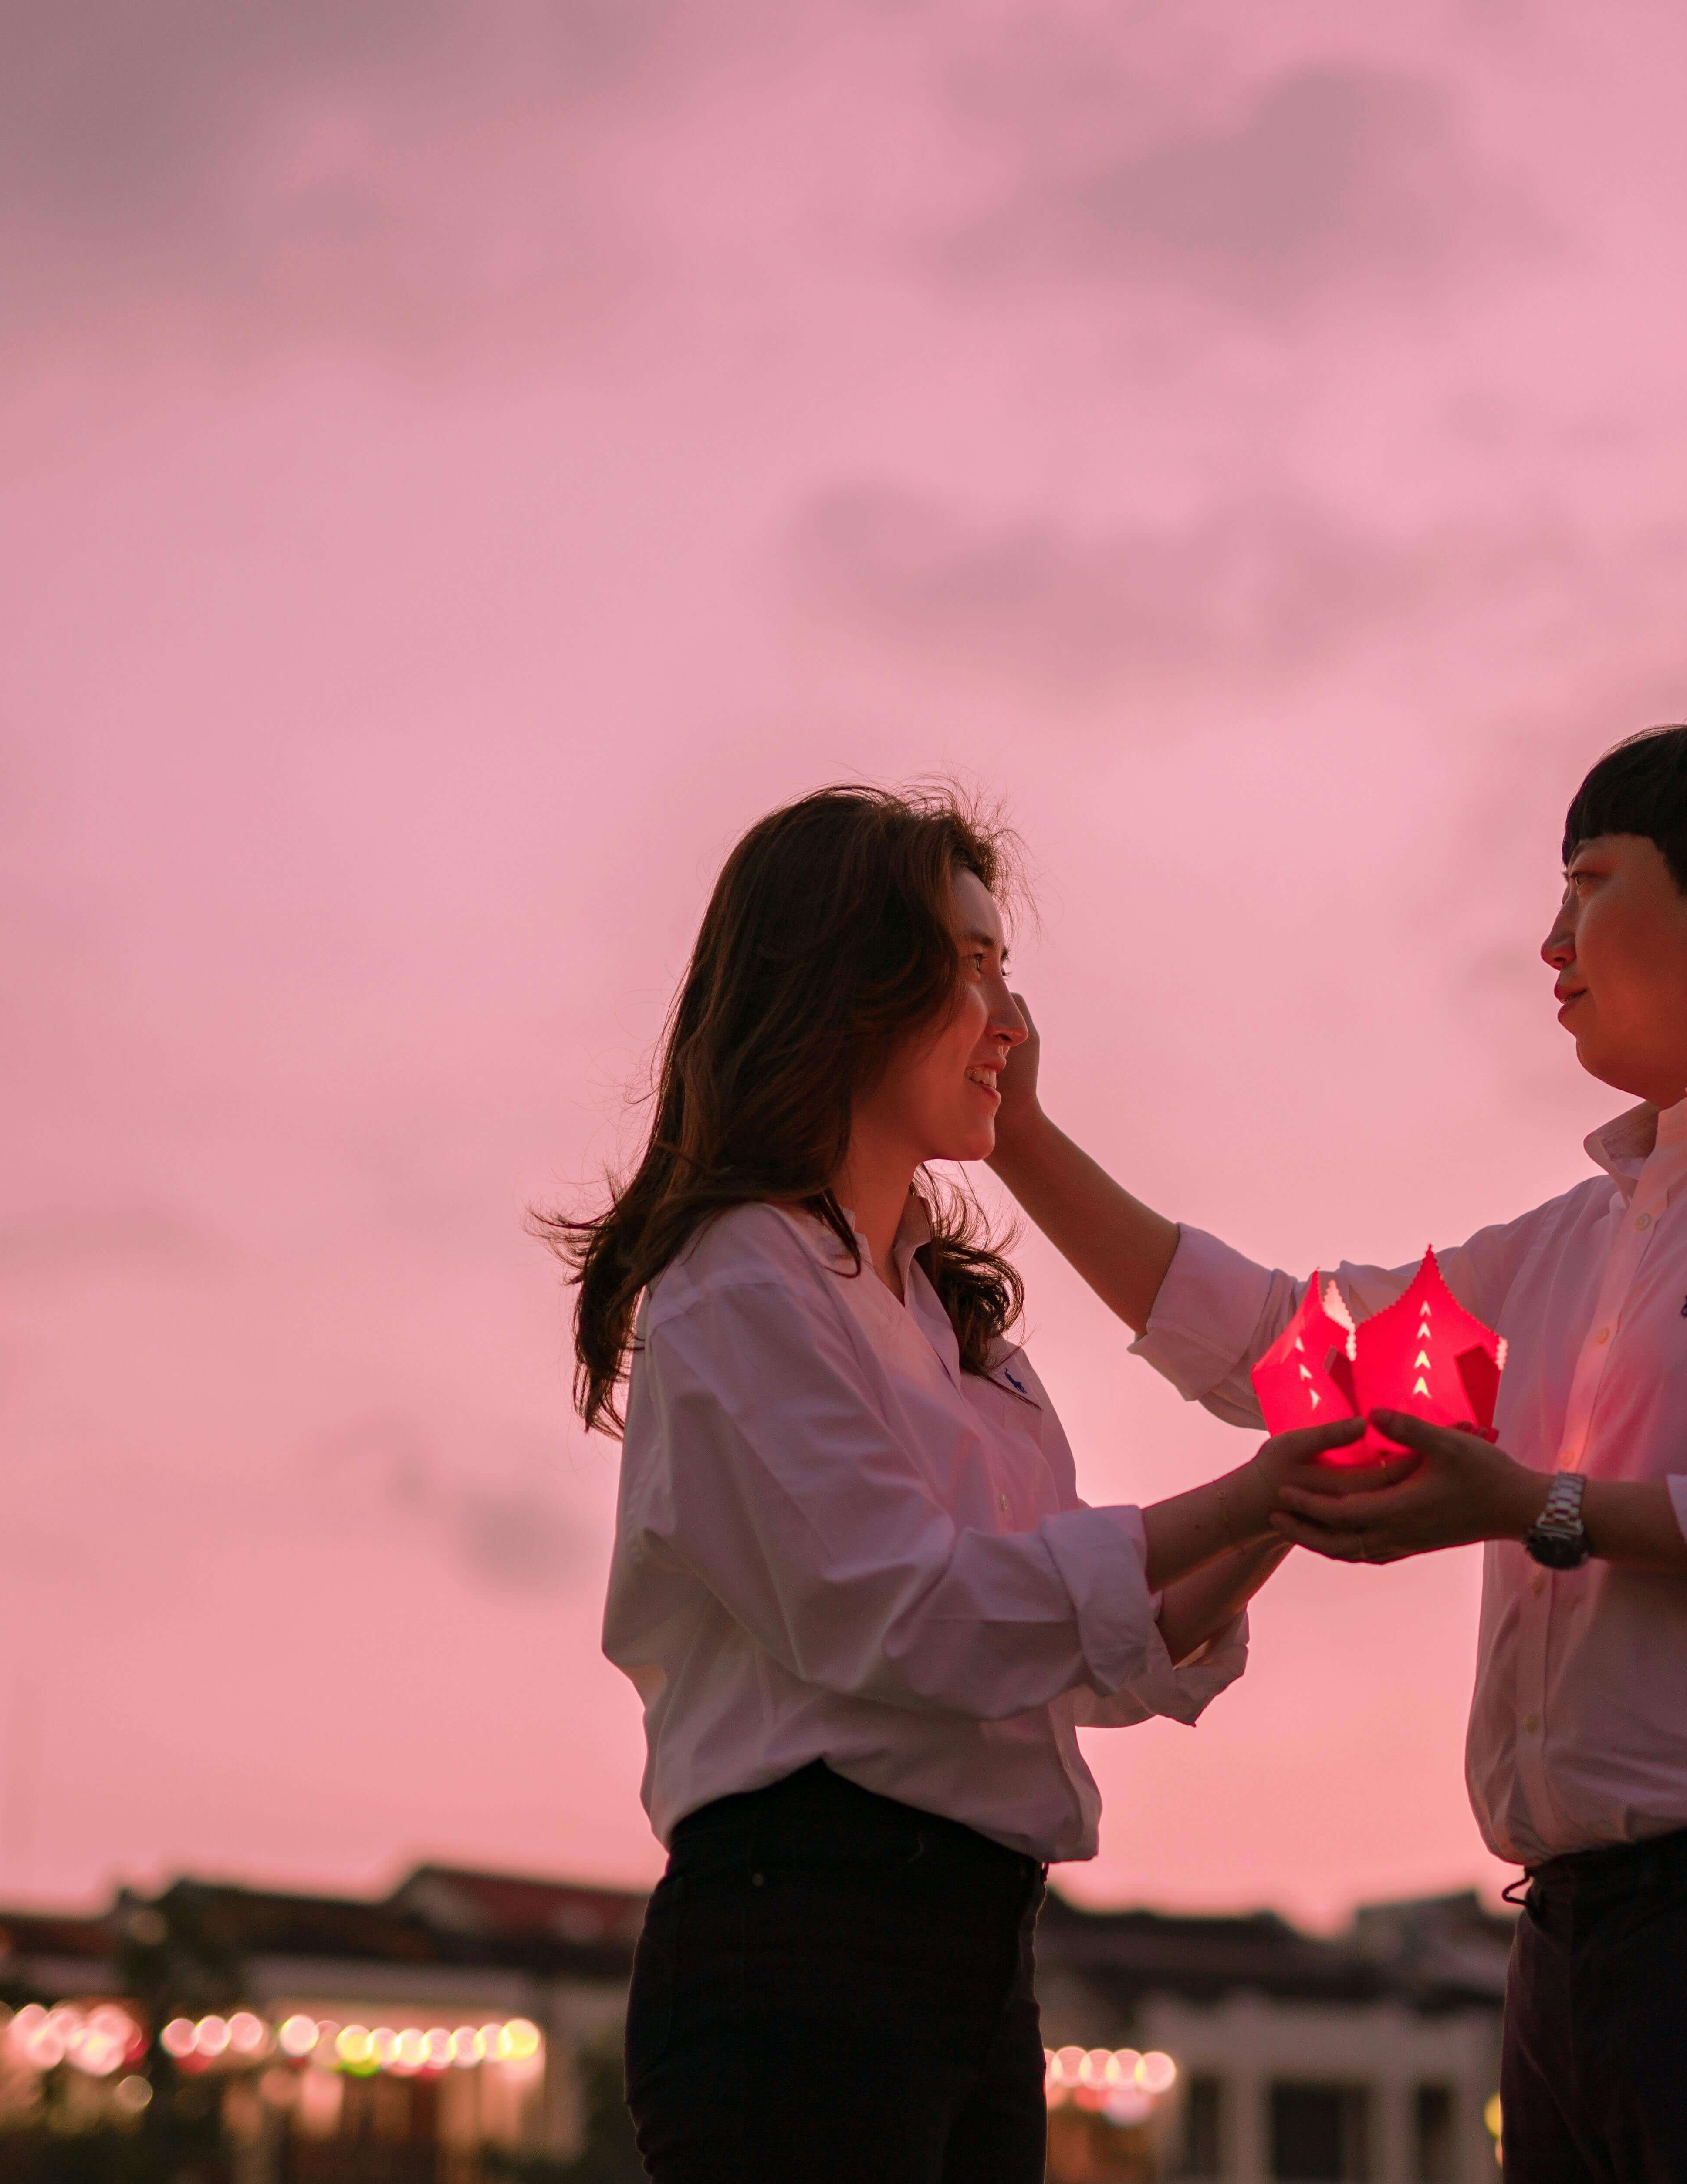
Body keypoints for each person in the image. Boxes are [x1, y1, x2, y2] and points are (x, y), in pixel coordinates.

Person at [988, 722, 1687, 2182]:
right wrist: (1018, 1138)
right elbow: (1281, 1353)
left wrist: (1548, 1507)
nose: (1549, 944)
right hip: (1569, 1957)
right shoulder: (1562, 1250)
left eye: (1588, 884)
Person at [552, 784, 1370, 2184]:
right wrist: (1252, 1493)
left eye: (1009, 968)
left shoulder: (946, 1317)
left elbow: (1076, 1643)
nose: (1016, 1025)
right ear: (848, 988)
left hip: (973, 1962)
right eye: (974, 965)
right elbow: (912, 1615)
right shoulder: (739, 1282)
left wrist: (1300, 1496)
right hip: (802, 1946)